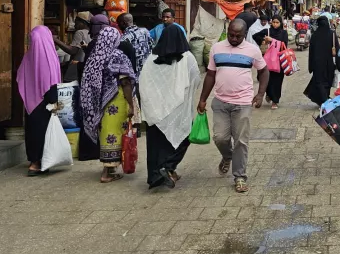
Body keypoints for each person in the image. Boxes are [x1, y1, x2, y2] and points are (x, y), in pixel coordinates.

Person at [197, 19, 268, 194]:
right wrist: (202, 99)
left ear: (245, 35)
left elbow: (264, 71)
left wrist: (260, 94)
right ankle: (228, 156)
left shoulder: (252, 50)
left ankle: (240, 176)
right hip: (220, 101)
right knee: (220, 137)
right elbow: (210, 75)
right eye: (231, 35)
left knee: (241, 141)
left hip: (243, 102)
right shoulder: (216, 48)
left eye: (238, 36)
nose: (234, 39)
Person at [139, 24, 200, 189]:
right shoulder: (187, 57)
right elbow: (195, 79)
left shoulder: (151, 58)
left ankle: (156, 175)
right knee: (184, 137)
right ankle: (168, 167)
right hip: (178, 108)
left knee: (155, 144)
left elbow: (143, 82)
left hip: (155, 109)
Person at [80, 25, 136, 183]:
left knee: (105, 132)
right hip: (116, 101)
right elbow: (125, 82)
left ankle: (109, 168)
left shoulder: (95, 56)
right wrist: (131, 105)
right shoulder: (117, 55)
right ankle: (107, 172)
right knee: (115, 133)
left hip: (99, 104)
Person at [17, 26, 63, 176]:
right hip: (46, 102)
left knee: (33, 130)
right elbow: (52, 82)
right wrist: (54, 102)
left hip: (31, 101)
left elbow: (21, 77)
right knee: (44, 131)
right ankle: (40, 162)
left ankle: (34, 161)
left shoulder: (28, 57)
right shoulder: (50, 56)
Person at [304, 16, 339, 107]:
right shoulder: (332, 34)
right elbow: (337, 48)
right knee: (327, 82)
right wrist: (339, 64)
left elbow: (311, 52)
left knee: (319, 82)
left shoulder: (315, 35)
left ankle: (324, 100)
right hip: (329, 64)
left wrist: (311, 66)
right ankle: (325, 100)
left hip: (317, 64)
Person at [265, 15, 287, 110]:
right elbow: (256, 37)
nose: (275, 24)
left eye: (277, 22)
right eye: (273, 22)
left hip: (279, 61)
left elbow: (284, 44)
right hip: (268, 61)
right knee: (268, 80)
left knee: (277, 82)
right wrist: (263, 41)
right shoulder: (268, 32)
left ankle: (275, 101)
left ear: (280, 23)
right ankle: (269, 94)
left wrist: (272, 40)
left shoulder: (284, 33)